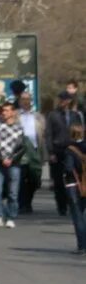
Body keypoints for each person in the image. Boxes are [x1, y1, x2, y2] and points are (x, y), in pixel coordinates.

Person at [45, 91, 84, 216]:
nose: (64, 102)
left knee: (72, 177)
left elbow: (80, 132)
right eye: (61, 100)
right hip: (58, 150)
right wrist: (50, 152)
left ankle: (72, 202)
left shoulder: (75, 115)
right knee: (58, 181)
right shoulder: (53, 115)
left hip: (73, 150)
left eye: (66, 100)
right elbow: (48, 134)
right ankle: (61, 206)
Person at [0, 101, 25, 228]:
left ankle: (11, 217)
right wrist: (0, 159)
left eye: (7, 110)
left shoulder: (19, 127)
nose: (4, 113)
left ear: (13, 112)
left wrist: (12, 159)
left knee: (13, 192)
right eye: (3, 110)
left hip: (14, 164)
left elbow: (22, 147)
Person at [17, 91, 46, 214]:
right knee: (22, 178)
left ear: (31, 101)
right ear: (20, 101)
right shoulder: (16, 115)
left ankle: (28, 200)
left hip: (35, 149)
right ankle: (23, 204)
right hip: (21, 150)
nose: (25, 101)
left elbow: (44, 134)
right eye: (23, 99)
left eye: (28, 99)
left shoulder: (38, 116)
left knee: (35, 178)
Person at [61, 125, 86, 254]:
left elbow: (69, 168)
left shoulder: (70, 149)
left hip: (74, 185)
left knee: (78, 216)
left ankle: (82, 245)